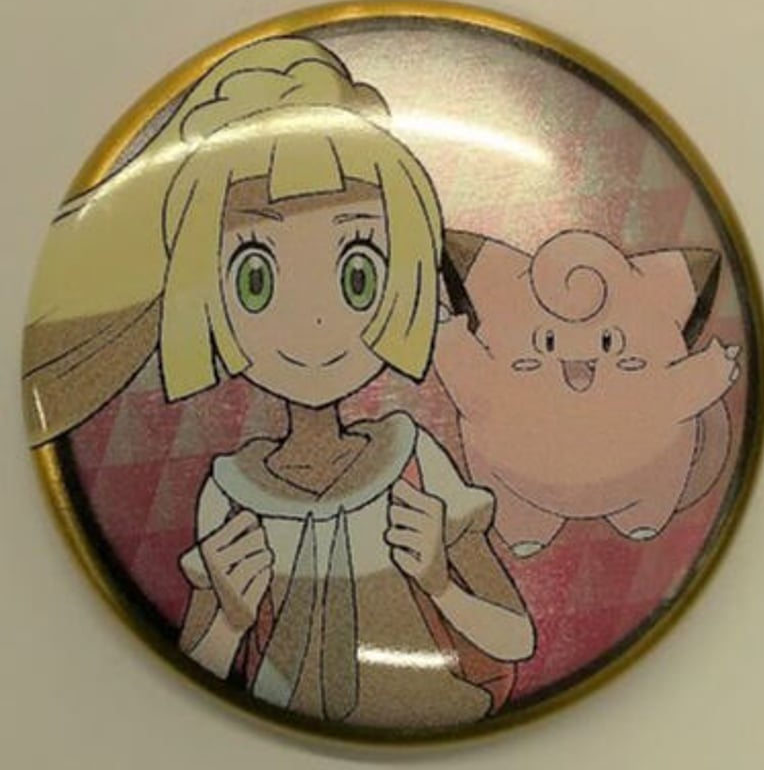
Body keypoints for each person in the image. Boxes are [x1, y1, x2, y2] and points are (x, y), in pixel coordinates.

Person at [23, 36, 535, 730]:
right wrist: (231, 616)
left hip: (443, 704)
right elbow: (189, 670)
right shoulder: (230, 493)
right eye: (255, 281)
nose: (315, 321)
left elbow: (517, 638)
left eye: (359, 274)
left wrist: (439, 579)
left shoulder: (415, 463)